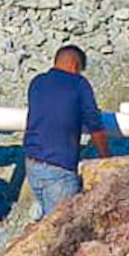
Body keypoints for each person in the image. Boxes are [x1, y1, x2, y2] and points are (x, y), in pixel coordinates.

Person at [22, 45, 110, 218]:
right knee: (60, 229)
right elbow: (95, 124)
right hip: (59, 170)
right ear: (75, 66)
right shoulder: (79, 84)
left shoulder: (37, 82)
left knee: (47, 222)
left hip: (32, 166)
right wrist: (106, 158)